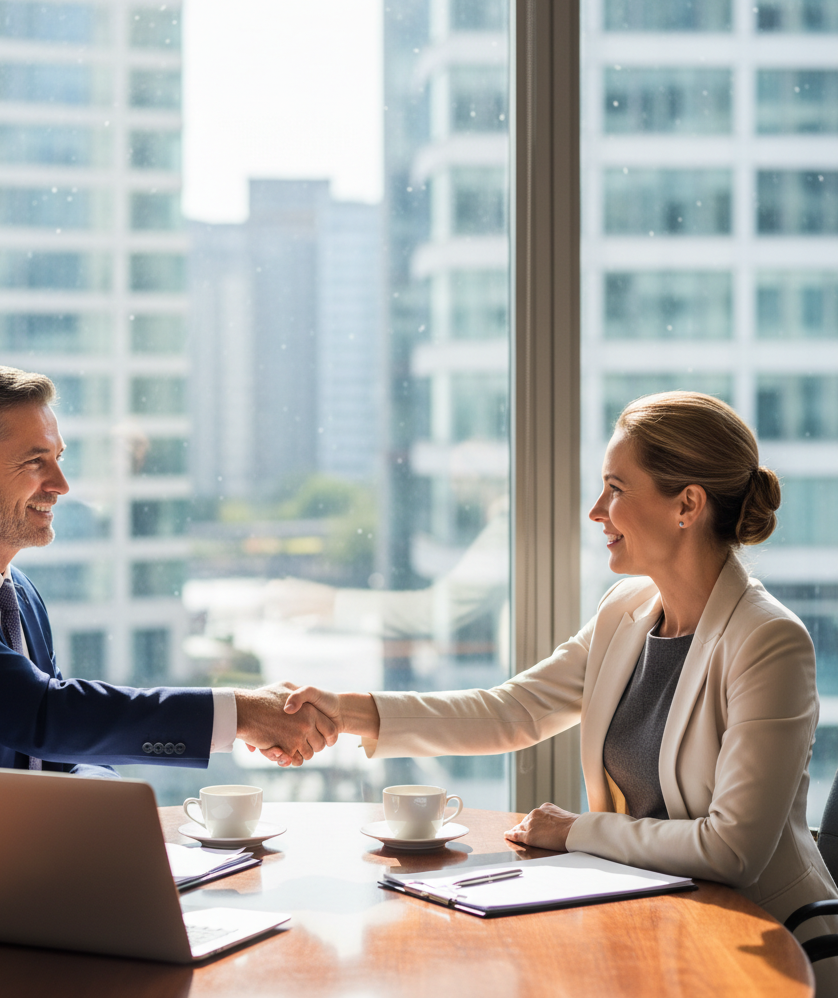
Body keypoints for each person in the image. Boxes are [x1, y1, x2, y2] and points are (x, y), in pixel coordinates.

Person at [278, 391, 838, 986]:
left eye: (617, 489)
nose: (597, 511)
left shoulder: (769, 641)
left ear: (687, 505)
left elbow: (733, 850)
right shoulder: (625, 611)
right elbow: (510, 710)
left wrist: (575, 831)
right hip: (657, 924)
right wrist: (345, 712)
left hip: (768, 948)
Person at [0, 364, 336, 880]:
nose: (61, 484)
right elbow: (43, 716)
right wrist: (238, 711)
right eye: (35, 461)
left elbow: (58, 753)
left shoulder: (17, 595)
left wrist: (106, 810)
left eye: (58, 458)